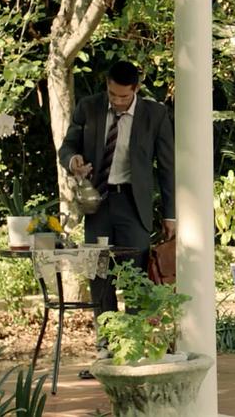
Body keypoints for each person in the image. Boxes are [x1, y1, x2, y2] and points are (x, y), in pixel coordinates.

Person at [58, 61, 176, 371]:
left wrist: (171, 214)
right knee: (99, 275)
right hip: (98, 203)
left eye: (124, 97)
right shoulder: (89, 108)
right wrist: (73, 161)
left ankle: (134, 346)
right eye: (112, 94)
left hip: (133, 205)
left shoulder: (155, 114)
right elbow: (67, 146)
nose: (118, 101)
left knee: (136, 276)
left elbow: (167, 167)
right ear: (107, 86)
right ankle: (106, 347)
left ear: (136, 89)